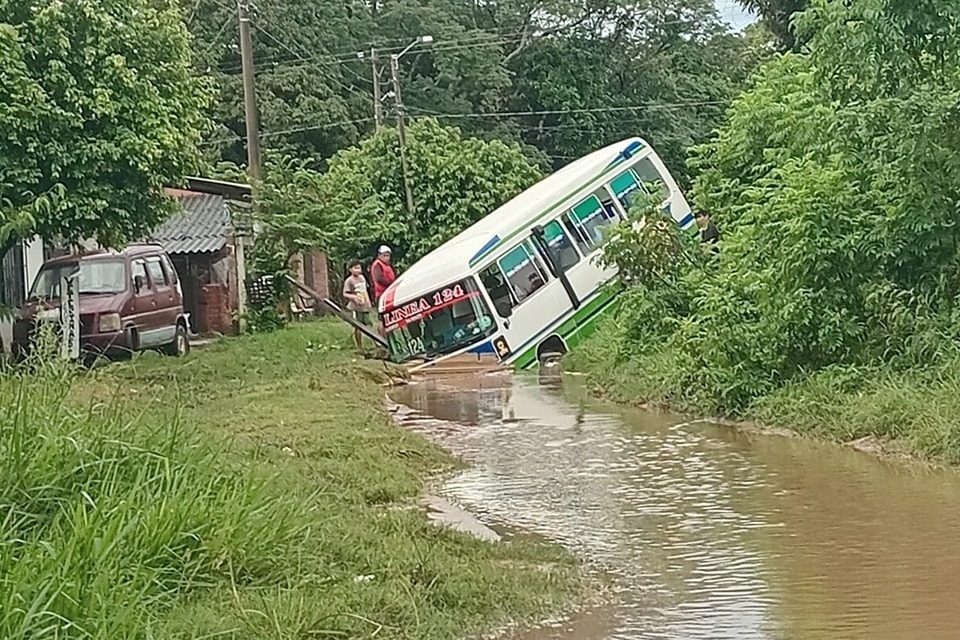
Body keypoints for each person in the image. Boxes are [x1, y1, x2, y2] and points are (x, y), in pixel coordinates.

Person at [342, 260, 372, 349]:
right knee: (358, 326)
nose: (358, 270)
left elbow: (365, 290)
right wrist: (354, 297)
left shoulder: (362, 278)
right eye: (355, 268)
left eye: (359, 268)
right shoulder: (349, 281)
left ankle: (374, 342)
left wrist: (368, 302)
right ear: (350, 269)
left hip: (365, 305)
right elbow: (345, 293)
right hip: (356, 307)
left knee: (368, 324)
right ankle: (359, 346)